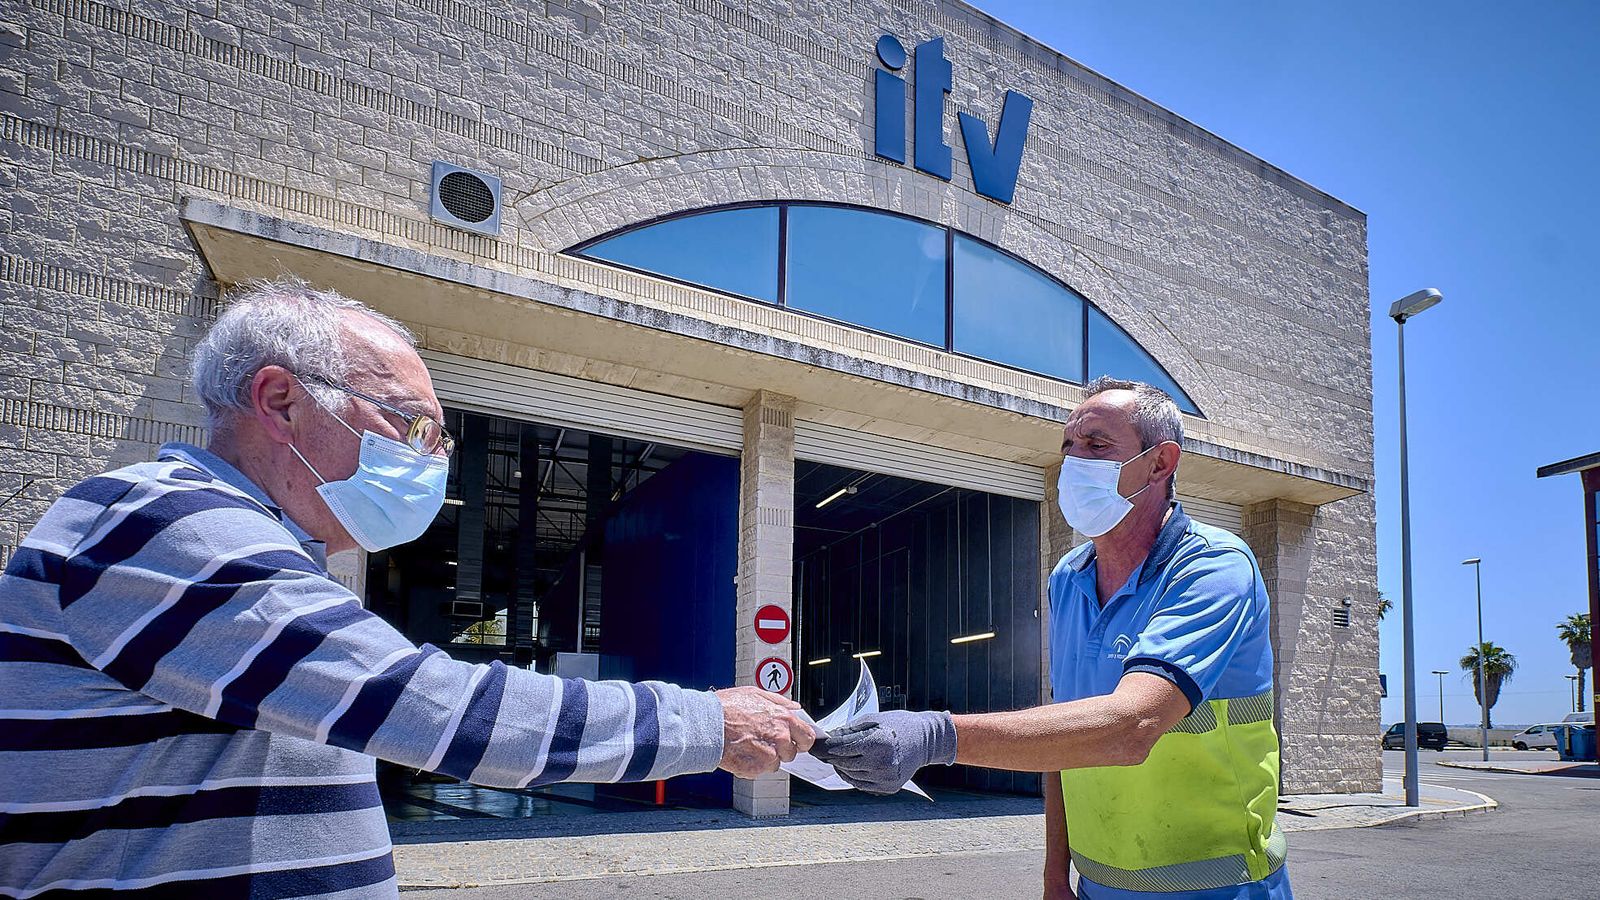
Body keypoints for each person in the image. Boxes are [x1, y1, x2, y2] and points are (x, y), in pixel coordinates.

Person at [0, 280, 813, 898]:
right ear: (280, 401)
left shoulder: (255, 552)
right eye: (410, 424)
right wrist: (707, 722)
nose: (431, 459)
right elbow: (429, 708)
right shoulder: (164, 522)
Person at [814, 378, 1289, 900]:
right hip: (1097, 887)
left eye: (1097, 445)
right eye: (1069, 448)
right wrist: (1054, 877)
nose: (1075, 462)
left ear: (1160, 463)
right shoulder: (1068, 577)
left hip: (1219, 889)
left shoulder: (1213, 568)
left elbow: (1131, 726)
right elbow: (1066, 736)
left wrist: (935, 736)